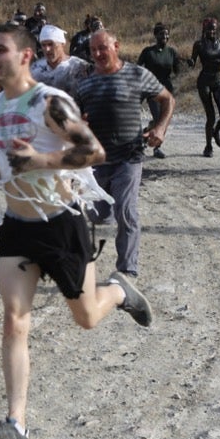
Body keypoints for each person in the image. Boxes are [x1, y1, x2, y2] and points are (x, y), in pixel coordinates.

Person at [0, 23, 152, 439]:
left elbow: (93, 152)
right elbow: (10, 158)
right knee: (14, 320)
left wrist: (41, 159)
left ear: (26, 56)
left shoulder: (49, 103)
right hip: (16, 226)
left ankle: (120, 291)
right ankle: (16, 423)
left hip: (60, 222)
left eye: (0, 50)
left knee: (86, 316)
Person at [75, 29, 173, 277]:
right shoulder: (85, 84)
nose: (97, 53)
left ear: (116, 46)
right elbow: (75, 120)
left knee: (126, 211)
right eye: (93, 49)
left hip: (129, 157)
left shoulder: (136, 74)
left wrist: (160, 127)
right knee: (98, 215)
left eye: (102, 48)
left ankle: (126, 272)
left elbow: (167, 99)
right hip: (97, 161)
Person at [188, 18, 220, 157]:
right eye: (209, 29)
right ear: (204, 29)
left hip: (217, 80)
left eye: (214, 29)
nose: (212, 31)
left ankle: (216, 132)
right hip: (204, 81)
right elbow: (193, 61)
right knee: (211, 116)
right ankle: (208, 146)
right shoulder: (199, 45)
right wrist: (190, 61)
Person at [137, 23, 181, 158]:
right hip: (151, 89)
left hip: (166, 90)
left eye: (167, 34)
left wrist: (181, 62)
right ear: (156, 35)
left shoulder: (172, 52)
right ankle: (155, 146)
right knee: (158, 118)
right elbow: (138, 68)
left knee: (163, 119)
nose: (165, 36)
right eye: (162, 34)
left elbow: (177, 70)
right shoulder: (148, 52)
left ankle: (147, 137)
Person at [31, 24, 90, 97]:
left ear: (62, 44)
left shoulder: (79, 67)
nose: (47, 49)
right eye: (43, 45)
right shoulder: (35, 70)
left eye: (51, 44)